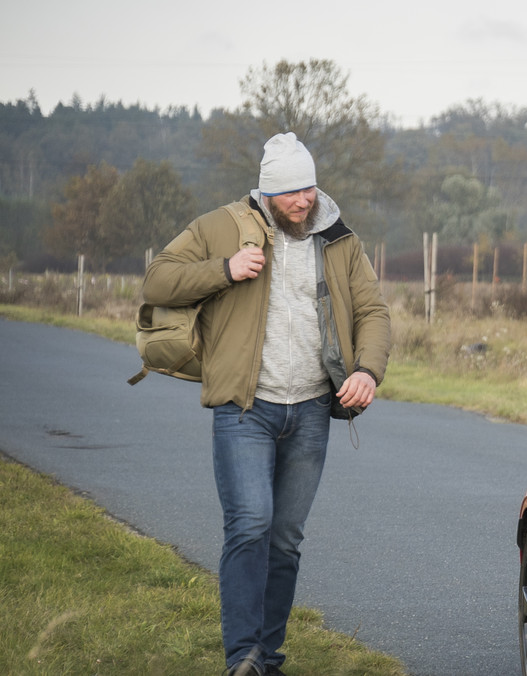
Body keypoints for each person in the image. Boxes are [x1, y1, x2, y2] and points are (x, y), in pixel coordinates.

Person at [142, 132, 391, 676]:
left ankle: (268, 660)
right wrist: (224, 269)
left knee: (284, 540)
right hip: (244, 409)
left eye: (311, 188)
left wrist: (368, 371)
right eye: (293, 192)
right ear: (268, 193)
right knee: (250, 524)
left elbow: (372, 309)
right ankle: (242, 658)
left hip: (310, 411)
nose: (305, 201)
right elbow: (158, 279)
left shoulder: (339, 237)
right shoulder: (222, 227)